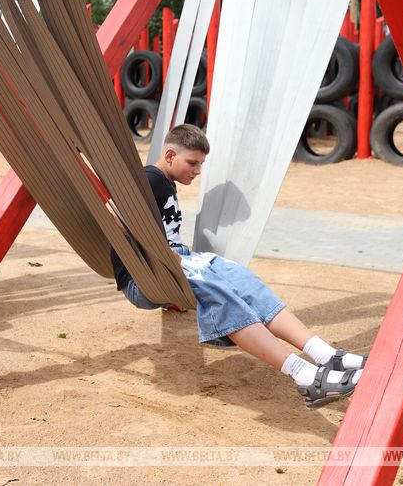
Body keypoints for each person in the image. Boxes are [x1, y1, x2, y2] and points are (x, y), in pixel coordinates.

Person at [111, 124, 367, 408]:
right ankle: (304, 375)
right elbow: (112, 212)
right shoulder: (152, 178)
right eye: (192, 163)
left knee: (242, 279)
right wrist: (158, 251)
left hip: (179, 261)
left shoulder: (164, 181)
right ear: (170, 155)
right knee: (221, 294)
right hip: (145, 275)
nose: (197, 171)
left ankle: (327, 355)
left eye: (200, 164)